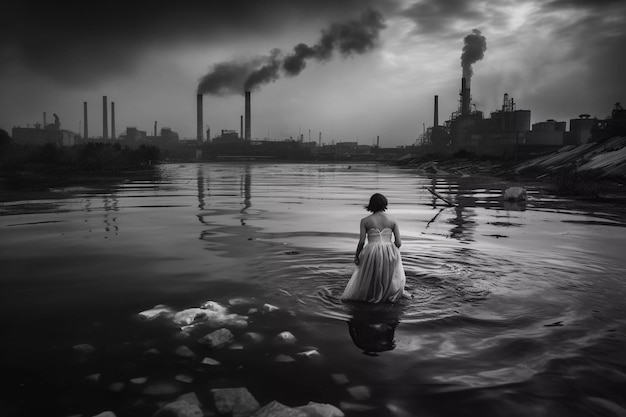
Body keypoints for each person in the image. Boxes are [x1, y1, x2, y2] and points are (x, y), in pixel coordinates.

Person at [341, 193, 408, 303]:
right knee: (388, 276)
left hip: (371, 252)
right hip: (389, 251)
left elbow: (362, 241)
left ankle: (373, 295)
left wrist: (357, 256)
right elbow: (399, 243)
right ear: (384, 204)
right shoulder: (392, 220)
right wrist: (390, 250)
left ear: (371, 205)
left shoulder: (365, 221)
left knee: (372, 276)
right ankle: (387, 296)